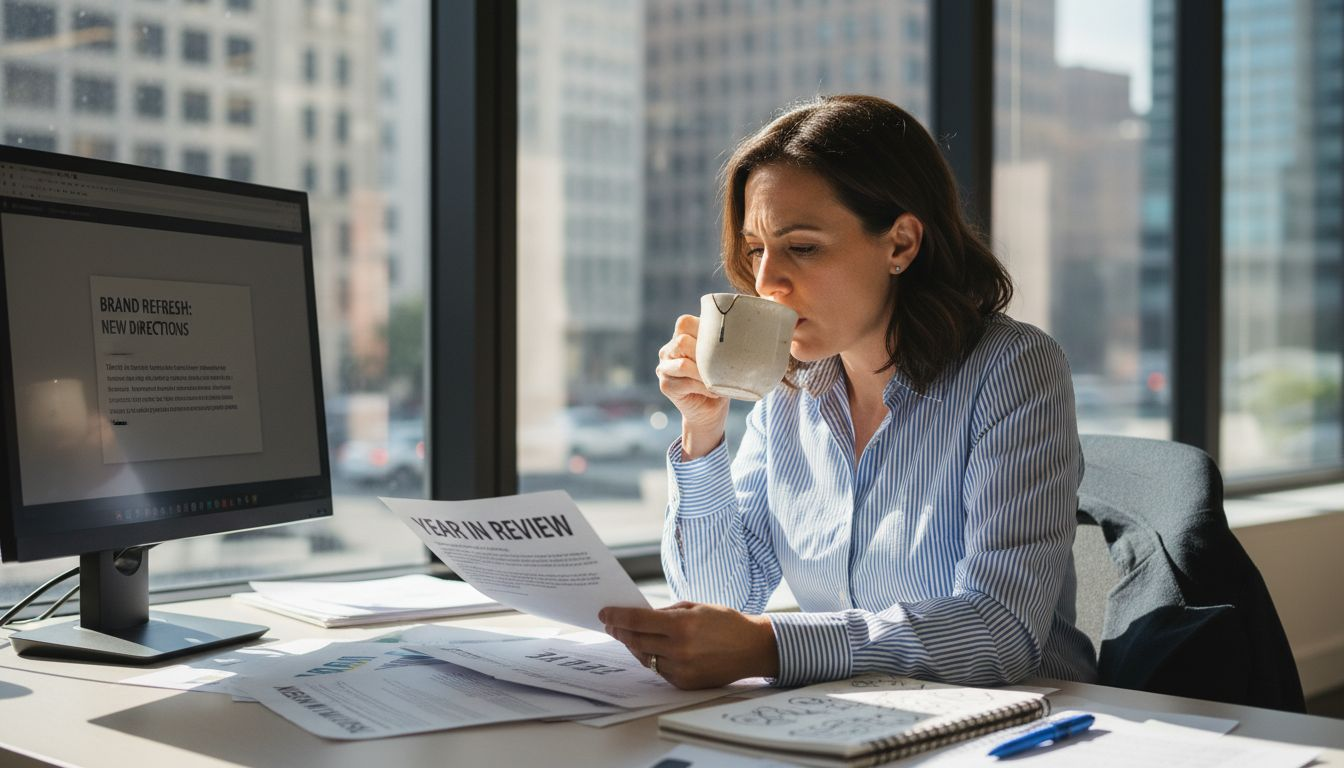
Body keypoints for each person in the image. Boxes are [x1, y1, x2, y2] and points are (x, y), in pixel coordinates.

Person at [599, 94, 1098, 691]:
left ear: (900, 245)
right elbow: (717, 601)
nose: (766, 283)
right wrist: (703, 434)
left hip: (1029, 720)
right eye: (756, 250)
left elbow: (1001, 630)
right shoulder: (790, 392)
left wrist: (772, 646)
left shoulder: (1013, 370)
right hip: (853, 720)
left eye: (802, 248)